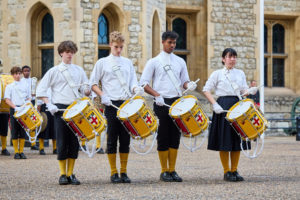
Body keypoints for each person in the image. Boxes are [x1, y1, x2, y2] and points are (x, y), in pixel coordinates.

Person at [140, 31, 197, 182]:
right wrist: (156, 94)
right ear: (163, 42)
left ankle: (172, 169)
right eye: (169, 42)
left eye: (174, 43)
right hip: (161, 102)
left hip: (177, 102)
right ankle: (164, 170)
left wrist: (189, 84)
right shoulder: (154, 62)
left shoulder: (180, 61)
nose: (172, 45)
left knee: (175, 136)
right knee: (163, 136)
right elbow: (144, 83)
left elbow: (184, 80)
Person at [90, 31, 143, 183]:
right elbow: (93, 83)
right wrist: (102, 95)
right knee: (112, 138)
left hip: (126, 104)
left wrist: (135, 89)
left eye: (121, 47)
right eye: (116, 47)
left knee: (125, 139)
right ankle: (113, 172)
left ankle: (124, 172)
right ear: (110, 45)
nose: (119, 50)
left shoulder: (127, 62)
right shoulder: (102, 62)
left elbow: (133, 81)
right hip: (111, 104)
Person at [36, 40, 90, 185]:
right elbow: (41, 90)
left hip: (76, 109)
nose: (70, 54)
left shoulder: (79, 70)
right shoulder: (53, 71)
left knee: (73, 142)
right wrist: (49, 104)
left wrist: (87, 91)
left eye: (72, 52)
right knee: (61, 141)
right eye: (67, 52)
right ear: (61, 53)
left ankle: (71, 173)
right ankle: (62, 174)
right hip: (59, 109)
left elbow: (85, 89)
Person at [202, 48, 258, 182]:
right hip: (223, 106)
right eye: (229, 56)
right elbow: (206, 89)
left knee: (236, 139)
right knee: (224, 140)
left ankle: (234, 170)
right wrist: (214, 104)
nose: (232, 59)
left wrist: (250, 90)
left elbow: (243, 91)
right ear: (223, 59)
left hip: (237, 105)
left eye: (234, 57)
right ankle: (226, 171)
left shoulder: (240, 73)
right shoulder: (217, 74)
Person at [4, 66, 31, 159]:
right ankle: (16, 152)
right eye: (16, 74)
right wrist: (15, 107)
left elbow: (29, 97)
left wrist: (27, 103)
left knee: (23, 130)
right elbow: (7, 99)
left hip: (23, 109)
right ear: (12, 75)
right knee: (15, 130)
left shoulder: (25, 85)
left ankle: (21, 151)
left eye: (19, 73)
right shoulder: (9, 86)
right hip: (14, 109)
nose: (18, 75)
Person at [21, 65, 39, 150]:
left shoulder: (33, 81)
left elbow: (36, 92)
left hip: (31, 102)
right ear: (22, 72)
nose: (26, 72)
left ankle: (33, 143)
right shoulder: (20, 81)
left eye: (28, 71)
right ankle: (22, 142)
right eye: (25, 71)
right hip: (23, 103)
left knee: (32, 121)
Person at [36, 89, 57, 155]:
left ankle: (55, 148)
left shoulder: (55, 87)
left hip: (54, 106)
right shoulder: (42, 87)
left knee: (54, 128)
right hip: (44, 108)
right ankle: (41, 148)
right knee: (43, 128)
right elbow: (39, 103)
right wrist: (38, 113)